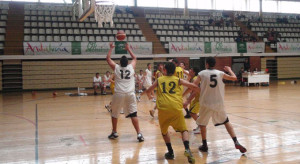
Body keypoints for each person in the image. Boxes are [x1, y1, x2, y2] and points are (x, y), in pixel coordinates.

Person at [143, 62, 198, 163]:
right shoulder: (178, 80)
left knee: (164, 132)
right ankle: (187, 149)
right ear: (174, 72)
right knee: (184, 130)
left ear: (164, 70)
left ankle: (171, 152)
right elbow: (193, 86)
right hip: (176, 108)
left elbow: (148, 90)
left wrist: (150, 96)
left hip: (163, 109)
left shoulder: (159, 80)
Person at [190, 57, 247, 153]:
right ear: (214, 64)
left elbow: (193, 85)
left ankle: (204, 145)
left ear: (206, 64)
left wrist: (200, 90)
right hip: (218, 103)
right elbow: (234, 78)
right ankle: (236, 141)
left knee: (202, 124)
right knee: (226, 121)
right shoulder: (220, 73)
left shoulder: (202, 73)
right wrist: (229, 70)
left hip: (206, 102)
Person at [106, 42, 144, 142]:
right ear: (128, 63)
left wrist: (111, 48)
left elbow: (108, 59)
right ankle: (139, 134)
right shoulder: (131, 67)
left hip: (119, 94)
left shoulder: (116, 68)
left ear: (119, 63)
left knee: (114, 114)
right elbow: (135, 58)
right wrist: (128, 48)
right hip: (130, 94)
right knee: (133, 114)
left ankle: (114, 132)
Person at [183, 67, 201, 134]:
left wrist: (187, 100)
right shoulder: (194, 78)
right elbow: (190, 89)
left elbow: (194, 91)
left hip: (200, 99)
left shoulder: (195, 79)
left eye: (190, 70)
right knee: (192, 112)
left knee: (192, 113)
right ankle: (200, 126)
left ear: (193, 72)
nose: (189, 71)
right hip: (197, 99)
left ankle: (201, 127)